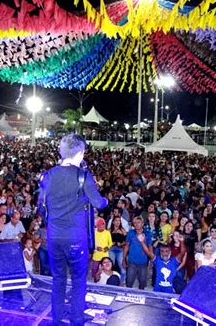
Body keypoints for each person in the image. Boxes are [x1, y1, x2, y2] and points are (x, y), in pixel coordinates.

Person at [38, 134, 107, 326]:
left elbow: (41, 207)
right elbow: (99, 204)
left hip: (54, 237)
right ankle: (76, 320)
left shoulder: (47, 175)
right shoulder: (83, 176)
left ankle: (56, 319)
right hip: (76, 238)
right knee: (78, 281)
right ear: (81, 153)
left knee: (58, 279)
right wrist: (104, 200)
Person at [123, 216, 153, 290]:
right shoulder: (130, 233)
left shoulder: (147, 233)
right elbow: (126, 246)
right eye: (134, 223)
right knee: (129, 282)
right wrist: (123, 259)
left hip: (143, 262)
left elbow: (150, 246)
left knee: (142, 283)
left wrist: (151, 259)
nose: (136, 224)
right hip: (131, 261)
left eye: (138, 222)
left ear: (142, 223)